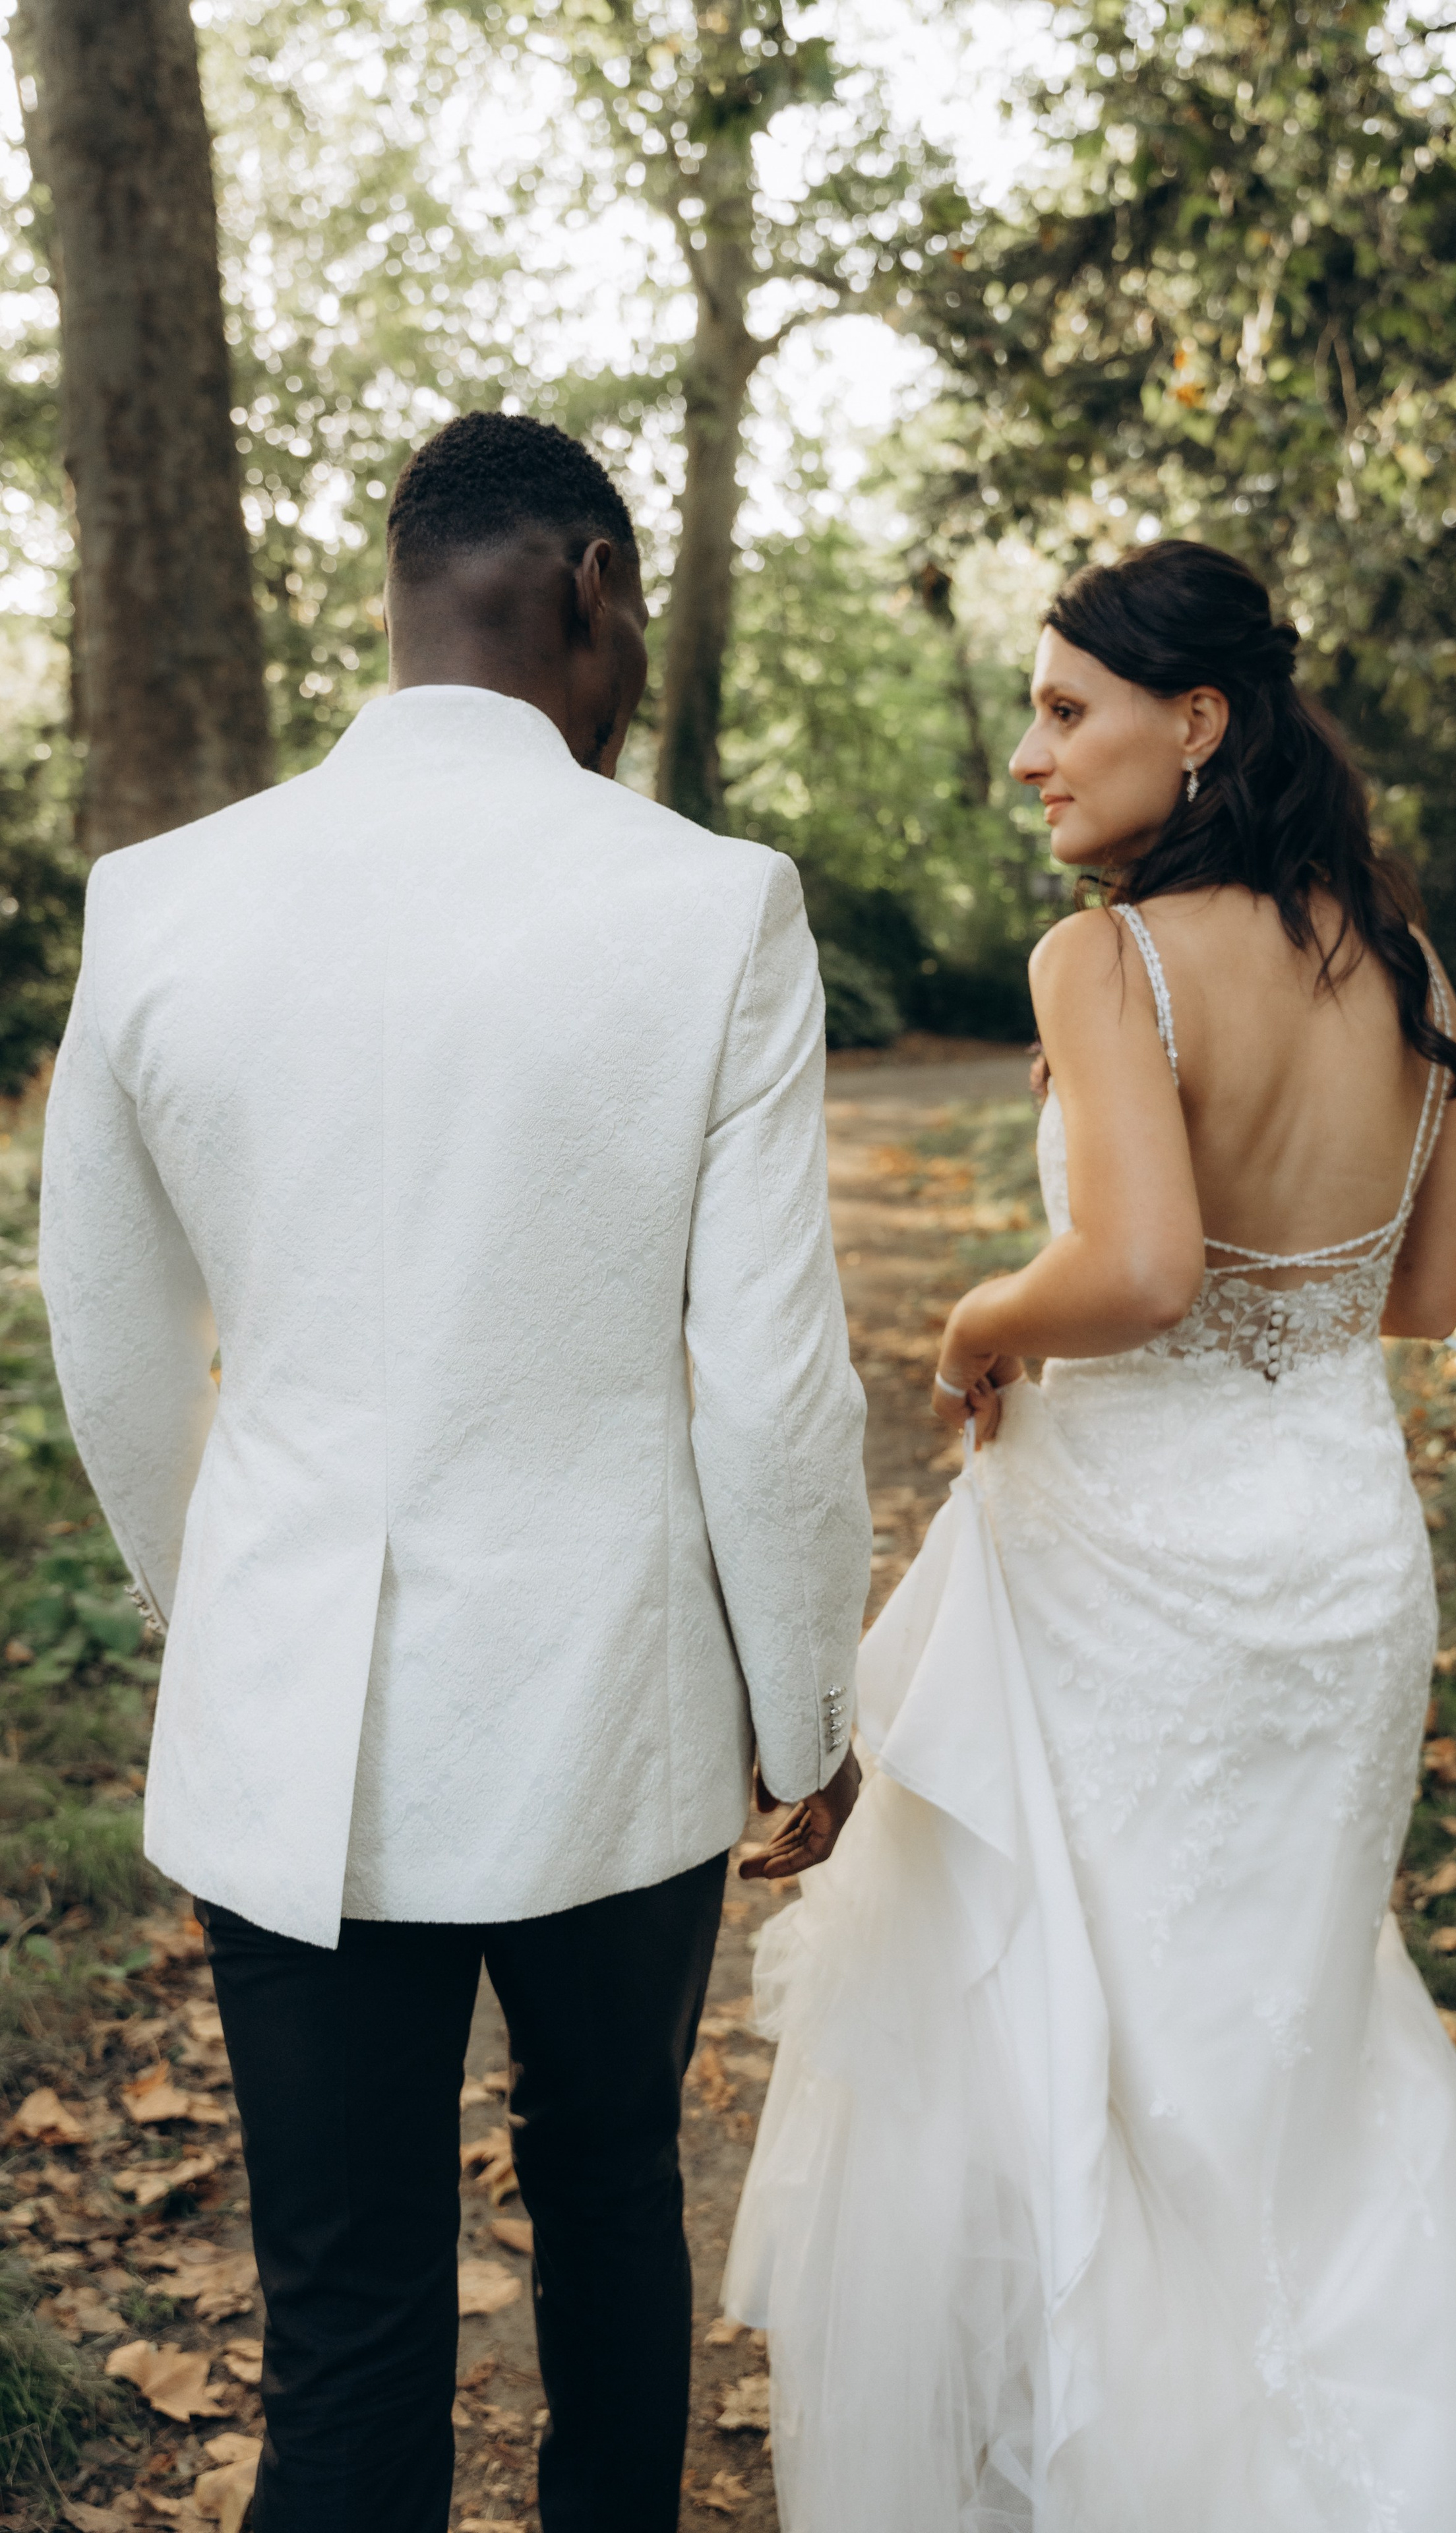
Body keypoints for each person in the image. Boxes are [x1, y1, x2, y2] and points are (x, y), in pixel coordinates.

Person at [724, 541, 1456, 2532]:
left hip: (1135, 1566)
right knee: (1293, 2046)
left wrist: (972, 1322)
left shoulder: (1108, 960)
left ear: (1194, 723)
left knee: (1096, 2045)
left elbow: (1133, 1267)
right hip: (1337, 1558)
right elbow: (1429, 1296)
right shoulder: (1404, 958)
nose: (1030, 760)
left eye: (1065, 712)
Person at [39, 410, 871, 2533]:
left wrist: (218, 1604)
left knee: (343, 2324)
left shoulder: (159, 902)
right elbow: (773, 1380)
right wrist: (808, 1710)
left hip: (293, 1706)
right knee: (612, 2212)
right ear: (591, 584)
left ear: (406, 593)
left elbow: (115, 1354)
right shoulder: (714, 907)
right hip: (613, 1709)